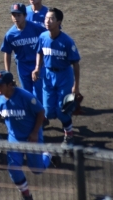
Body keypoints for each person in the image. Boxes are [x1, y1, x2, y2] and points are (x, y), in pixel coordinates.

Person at [0, 71, 58, 200]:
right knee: (13, 168)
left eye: (0, 84)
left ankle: (48, 152)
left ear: (10, 85)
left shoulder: (25, 97)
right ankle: (26, 195)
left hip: (31, 137)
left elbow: (41, 112)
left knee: (37, 170)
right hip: (14, 138)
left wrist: (34, 133)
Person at [32, 8, 81, 149]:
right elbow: (39, 52)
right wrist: (37, 67)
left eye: (51, 19)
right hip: (48, 75)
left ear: (59, 22)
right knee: (48, 111)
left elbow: (75, 64)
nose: (47, 21)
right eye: (46, 18)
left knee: (62, 111)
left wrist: (76, 86)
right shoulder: (43, 37)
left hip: (64, 76)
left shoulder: (67, 41)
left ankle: (69, 135)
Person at [0, 3, 46, 102]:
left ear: (25, 15)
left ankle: (41, 110)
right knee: (27, 92)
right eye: (14, 15)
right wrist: (7, 72)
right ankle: (31, 110)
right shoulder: (10, 34)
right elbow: (7, 52)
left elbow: (47, 39)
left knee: (39, 91)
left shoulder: (36, 28)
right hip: (22, 65)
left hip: (38, 63)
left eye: (19, 15)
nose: (16, 18)